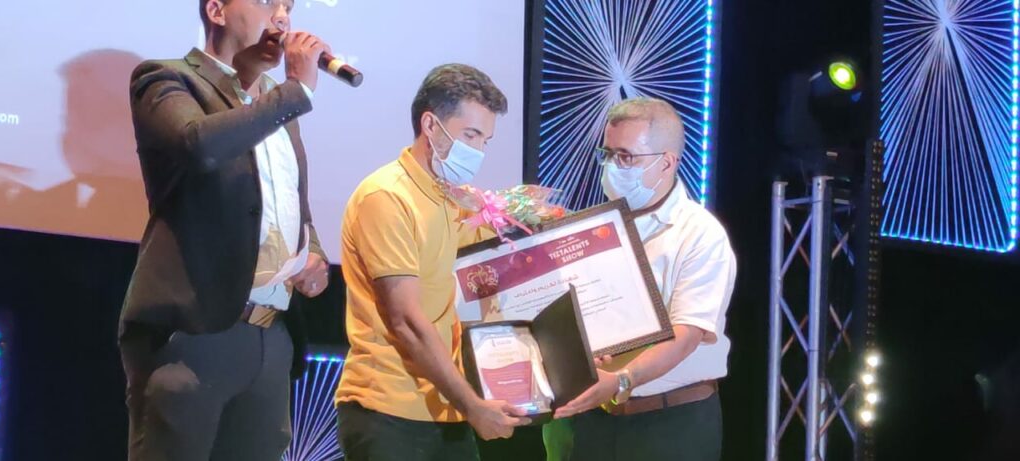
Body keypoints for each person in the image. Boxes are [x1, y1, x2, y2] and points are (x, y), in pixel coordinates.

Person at [118, 1, 332, 459]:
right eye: (267, 2)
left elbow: (292, 202)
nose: (282, 17)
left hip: (270, 335)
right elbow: (198, 145)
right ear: (216, 10)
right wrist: (295, 91)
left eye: (288, 7)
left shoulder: (278, 103)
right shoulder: (166, 78)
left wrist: (313, 251)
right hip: (194, 334)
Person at [335, 63, 529, 460]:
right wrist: (473, 405)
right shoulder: (387, 196)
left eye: (485, 140)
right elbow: (406, 321)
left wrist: (545, 223)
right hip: (389, 410)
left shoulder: (449, 196)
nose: (478, 151)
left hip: (445, 404)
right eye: (470, 135)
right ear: (430, 125)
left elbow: (490, 244)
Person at [552, 97, 737, 461]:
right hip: (594, 421)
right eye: (607, 154)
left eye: (625, 157)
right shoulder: (593, 229)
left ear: (666, 162)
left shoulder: (699, 234)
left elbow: (687, 334)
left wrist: (622, 380)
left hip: (670, 422)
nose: (612, 167)